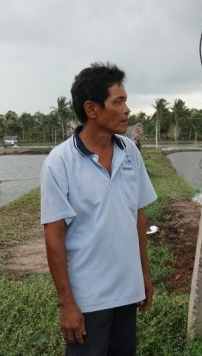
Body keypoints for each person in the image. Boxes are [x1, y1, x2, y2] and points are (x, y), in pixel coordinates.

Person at [41, 62, 157, 355]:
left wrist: (144, 275)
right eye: (118, 102)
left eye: (126, 101)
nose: (127, 110)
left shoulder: (130, 151)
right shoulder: (60, 162)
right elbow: (54, 236)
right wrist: (67, 303)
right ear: (91, 109)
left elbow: (138, 217)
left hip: (127, 293)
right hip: (88, 301)